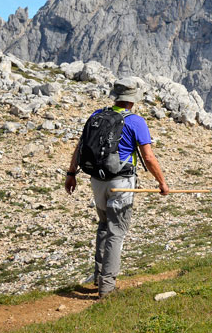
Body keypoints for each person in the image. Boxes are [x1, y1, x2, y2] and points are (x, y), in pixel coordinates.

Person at [65, 77, 170, 298]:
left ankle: (97, 276)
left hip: (97, 181)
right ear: (132, 100)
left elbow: (80, 147)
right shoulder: (136, 121)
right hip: (121, 183)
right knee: (116, 232)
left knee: (103, 225)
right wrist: (161, 182)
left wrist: (71, 174)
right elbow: (148, 157)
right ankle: (107, 288)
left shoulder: (96, 116)